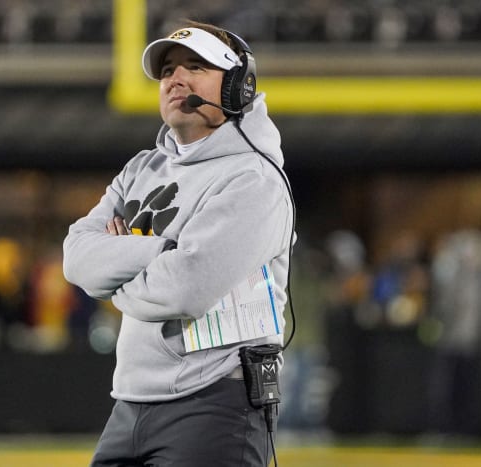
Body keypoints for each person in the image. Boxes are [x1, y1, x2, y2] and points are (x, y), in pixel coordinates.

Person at [63, 20, 294, 466]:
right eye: (168, 70)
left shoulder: (256, 179)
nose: (176, 79)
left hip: (216, 403)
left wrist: (114, 279)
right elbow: (76, 258)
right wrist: (160, 251)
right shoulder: (141, 168)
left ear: (238, 87)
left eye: (195, 66)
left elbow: (185, 287)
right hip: (130, 400)